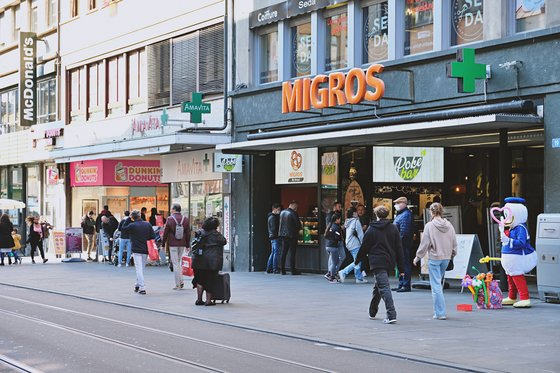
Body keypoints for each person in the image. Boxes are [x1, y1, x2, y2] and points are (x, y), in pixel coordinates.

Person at [355, 206, 404, 324]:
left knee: (383, 287)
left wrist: (358, 259)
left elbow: (364, 246)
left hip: (376, 261)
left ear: (376, 215)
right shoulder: (393, 228)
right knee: (379, 286)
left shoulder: (371, 229)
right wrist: (401, 267)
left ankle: (391, 314)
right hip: (388, 261)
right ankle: (372, 311)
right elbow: (399, 249)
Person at [413, 203, 457, 320]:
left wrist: (418, 257)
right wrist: (452, 254)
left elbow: (424, 244)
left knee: (436, 286)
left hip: (434, 257)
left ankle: (440, 313)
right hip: (446, 258)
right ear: (441, 211)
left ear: (431, 212)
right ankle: (439, 311)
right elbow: (454, 242)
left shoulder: (429, 226)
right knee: (439, 283)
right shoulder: (449, 225)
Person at [192, 217, 227, 306]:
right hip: (212, 261)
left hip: (198, 260)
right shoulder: (216, 235)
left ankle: (199, 299)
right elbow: (224, 241)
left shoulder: (200, 233)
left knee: (199, 280)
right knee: (210, 280)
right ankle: (208, 301)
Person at [121, 210, 156, 295]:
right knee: (141, 268)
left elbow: (122, 229)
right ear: (140, 215)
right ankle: (137, 284)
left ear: (132, 217)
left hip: (136, 249)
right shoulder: (147, 224)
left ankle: (142, 287)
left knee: (139, 268)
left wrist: (128, 219)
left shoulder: (132, 225)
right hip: (145, 249)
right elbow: (153, 236)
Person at [162, 203, 190, 290]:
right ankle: (181, 281)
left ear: (174, 209)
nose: (170, 210)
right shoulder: (185, 219)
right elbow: (188, 232)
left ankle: (178, 284)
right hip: (182, 243)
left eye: (171, 208)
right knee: (179, 262)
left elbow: (165, 232)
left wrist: (163, 244)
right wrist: (187, 245)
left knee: (175, 263)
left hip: (173, 244)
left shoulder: (170, 219)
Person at [339, 207, 367, 284]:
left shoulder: (347, 221)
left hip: (348, 243)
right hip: (355, 244)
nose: (358, 213)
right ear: (354, 213)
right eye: (356, 212)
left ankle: (359, 278)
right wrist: (364, 244)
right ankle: (344, 272)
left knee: (357, 260)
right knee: (357, 261)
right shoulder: (356, 222)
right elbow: (360, 234)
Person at [393, 196, 414, 292]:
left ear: (404, 204)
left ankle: (405, 285)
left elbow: (404, 232)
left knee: (404, 264)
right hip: (400, 243)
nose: (396, 205)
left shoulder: (405, 214)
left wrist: (398, 243)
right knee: (401, 264)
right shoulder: (401, 214)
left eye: (398, 203)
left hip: (403, 243)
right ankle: (401, 284)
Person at [278, 201, 302, 275]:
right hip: (292, 235)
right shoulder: (293, 213)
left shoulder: (282, 212)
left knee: (283, 252)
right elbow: (298, 225)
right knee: (292, 253)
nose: (296, 209)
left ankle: (282, 269)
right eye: (296, 207)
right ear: (293, 206)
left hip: (283, 235)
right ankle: (292, 270)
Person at [324, 201, 344, 280]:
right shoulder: (331, 216)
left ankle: (332, 272)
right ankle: (331, 273)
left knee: (338, 257)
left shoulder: (336, 216)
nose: (340, 208)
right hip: (334, 242)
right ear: (335, 207)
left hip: (334, 242)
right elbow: (331, 228)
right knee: (334, 259)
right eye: (339, 206)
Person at [266, 203, 281, 274]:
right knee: (275, 253)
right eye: (278, 209)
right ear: (274, 209)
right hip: (275, 237)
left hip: (272, 237)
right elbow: (274, 228)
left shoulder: (271, 217)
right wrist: (278, 235)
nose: (279, 211)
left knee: (273, 252)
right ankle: (274, 268)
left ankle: (269, 268)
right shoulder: (273, 218)